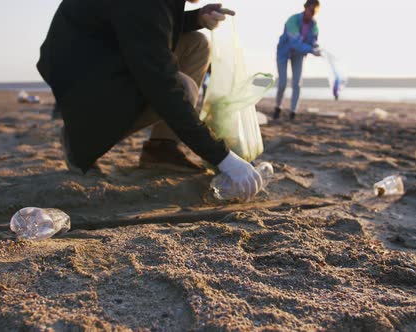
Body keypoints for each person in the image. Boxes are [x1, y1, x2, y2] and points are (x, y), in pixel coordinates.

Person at [37, 0, 263, 199]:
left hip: (104, 51)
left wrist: (196, 17)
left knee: (197, 44)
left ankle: (161, 147)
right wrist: (223, 159)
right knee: (181, 88)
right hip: (80, 72)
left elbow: (150, 27)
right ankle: (79, 135)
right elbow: (163, 88)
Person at [274, 0, 322, 121]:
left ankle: (293, 111)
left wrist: (316, 47)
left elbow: (314, 40)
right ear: (305, 8)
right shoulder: (292, 20)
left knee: (297, 84)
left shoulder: (314, 24)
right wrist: (311, 50)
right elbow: (295, 42)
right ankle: (278, 107)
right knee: (282, 83)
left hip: (299, 55)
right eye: (311, 10)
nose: (312, 13)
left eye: (315, 11)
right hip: (283, 52)